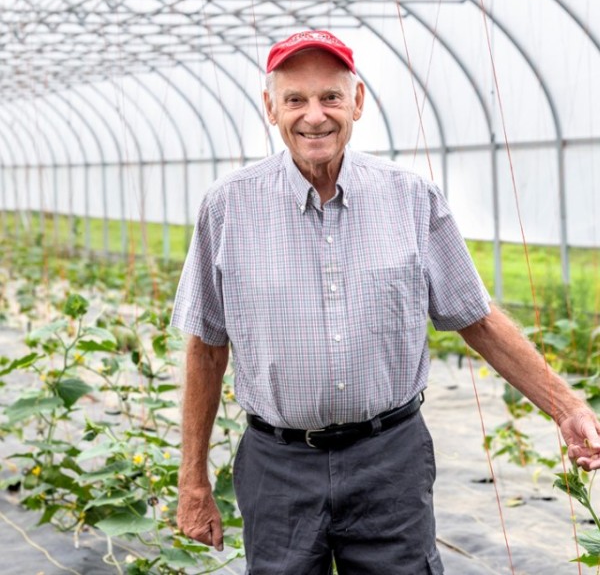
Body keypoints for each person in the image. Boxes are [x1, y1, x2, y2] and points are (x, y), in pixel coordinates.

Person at [171, 30, 600, 574]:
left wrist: (567, 407)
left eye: (330, 96)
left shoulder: (411, 198)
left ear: (358, 101)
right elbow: (206, 348)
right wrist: (193, 481)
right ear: (270, 108)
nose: (314, 116)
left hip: (388, 460)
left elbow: (478, 319)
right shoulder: (228, 208)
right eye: (295, 99)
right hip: (277, 466)